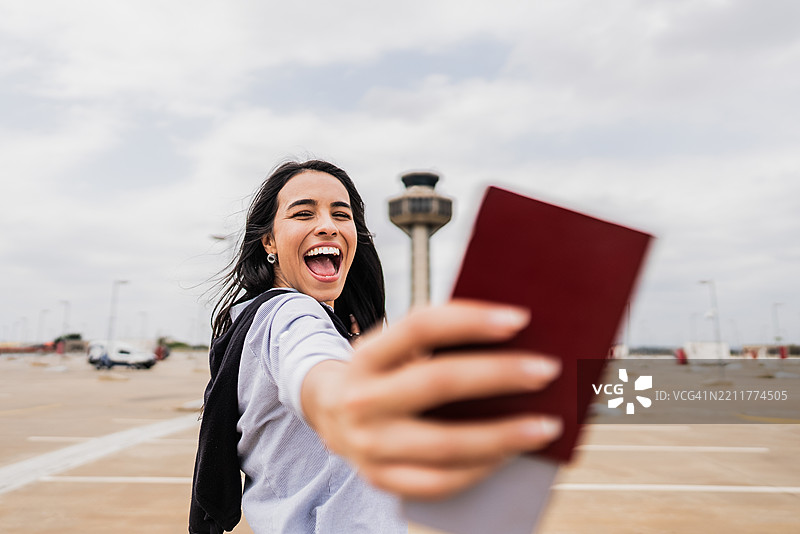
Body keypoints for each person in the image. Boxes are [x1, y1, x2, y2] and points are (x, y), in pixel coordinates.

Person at [190, 159, 563, 534]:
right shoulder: (289, 312)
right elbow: (315, 368)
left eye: (342, 214)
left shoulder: (261, 324)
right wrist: (344, 396)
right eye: (303, 214)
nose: (327, 226)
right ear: (268, 240)